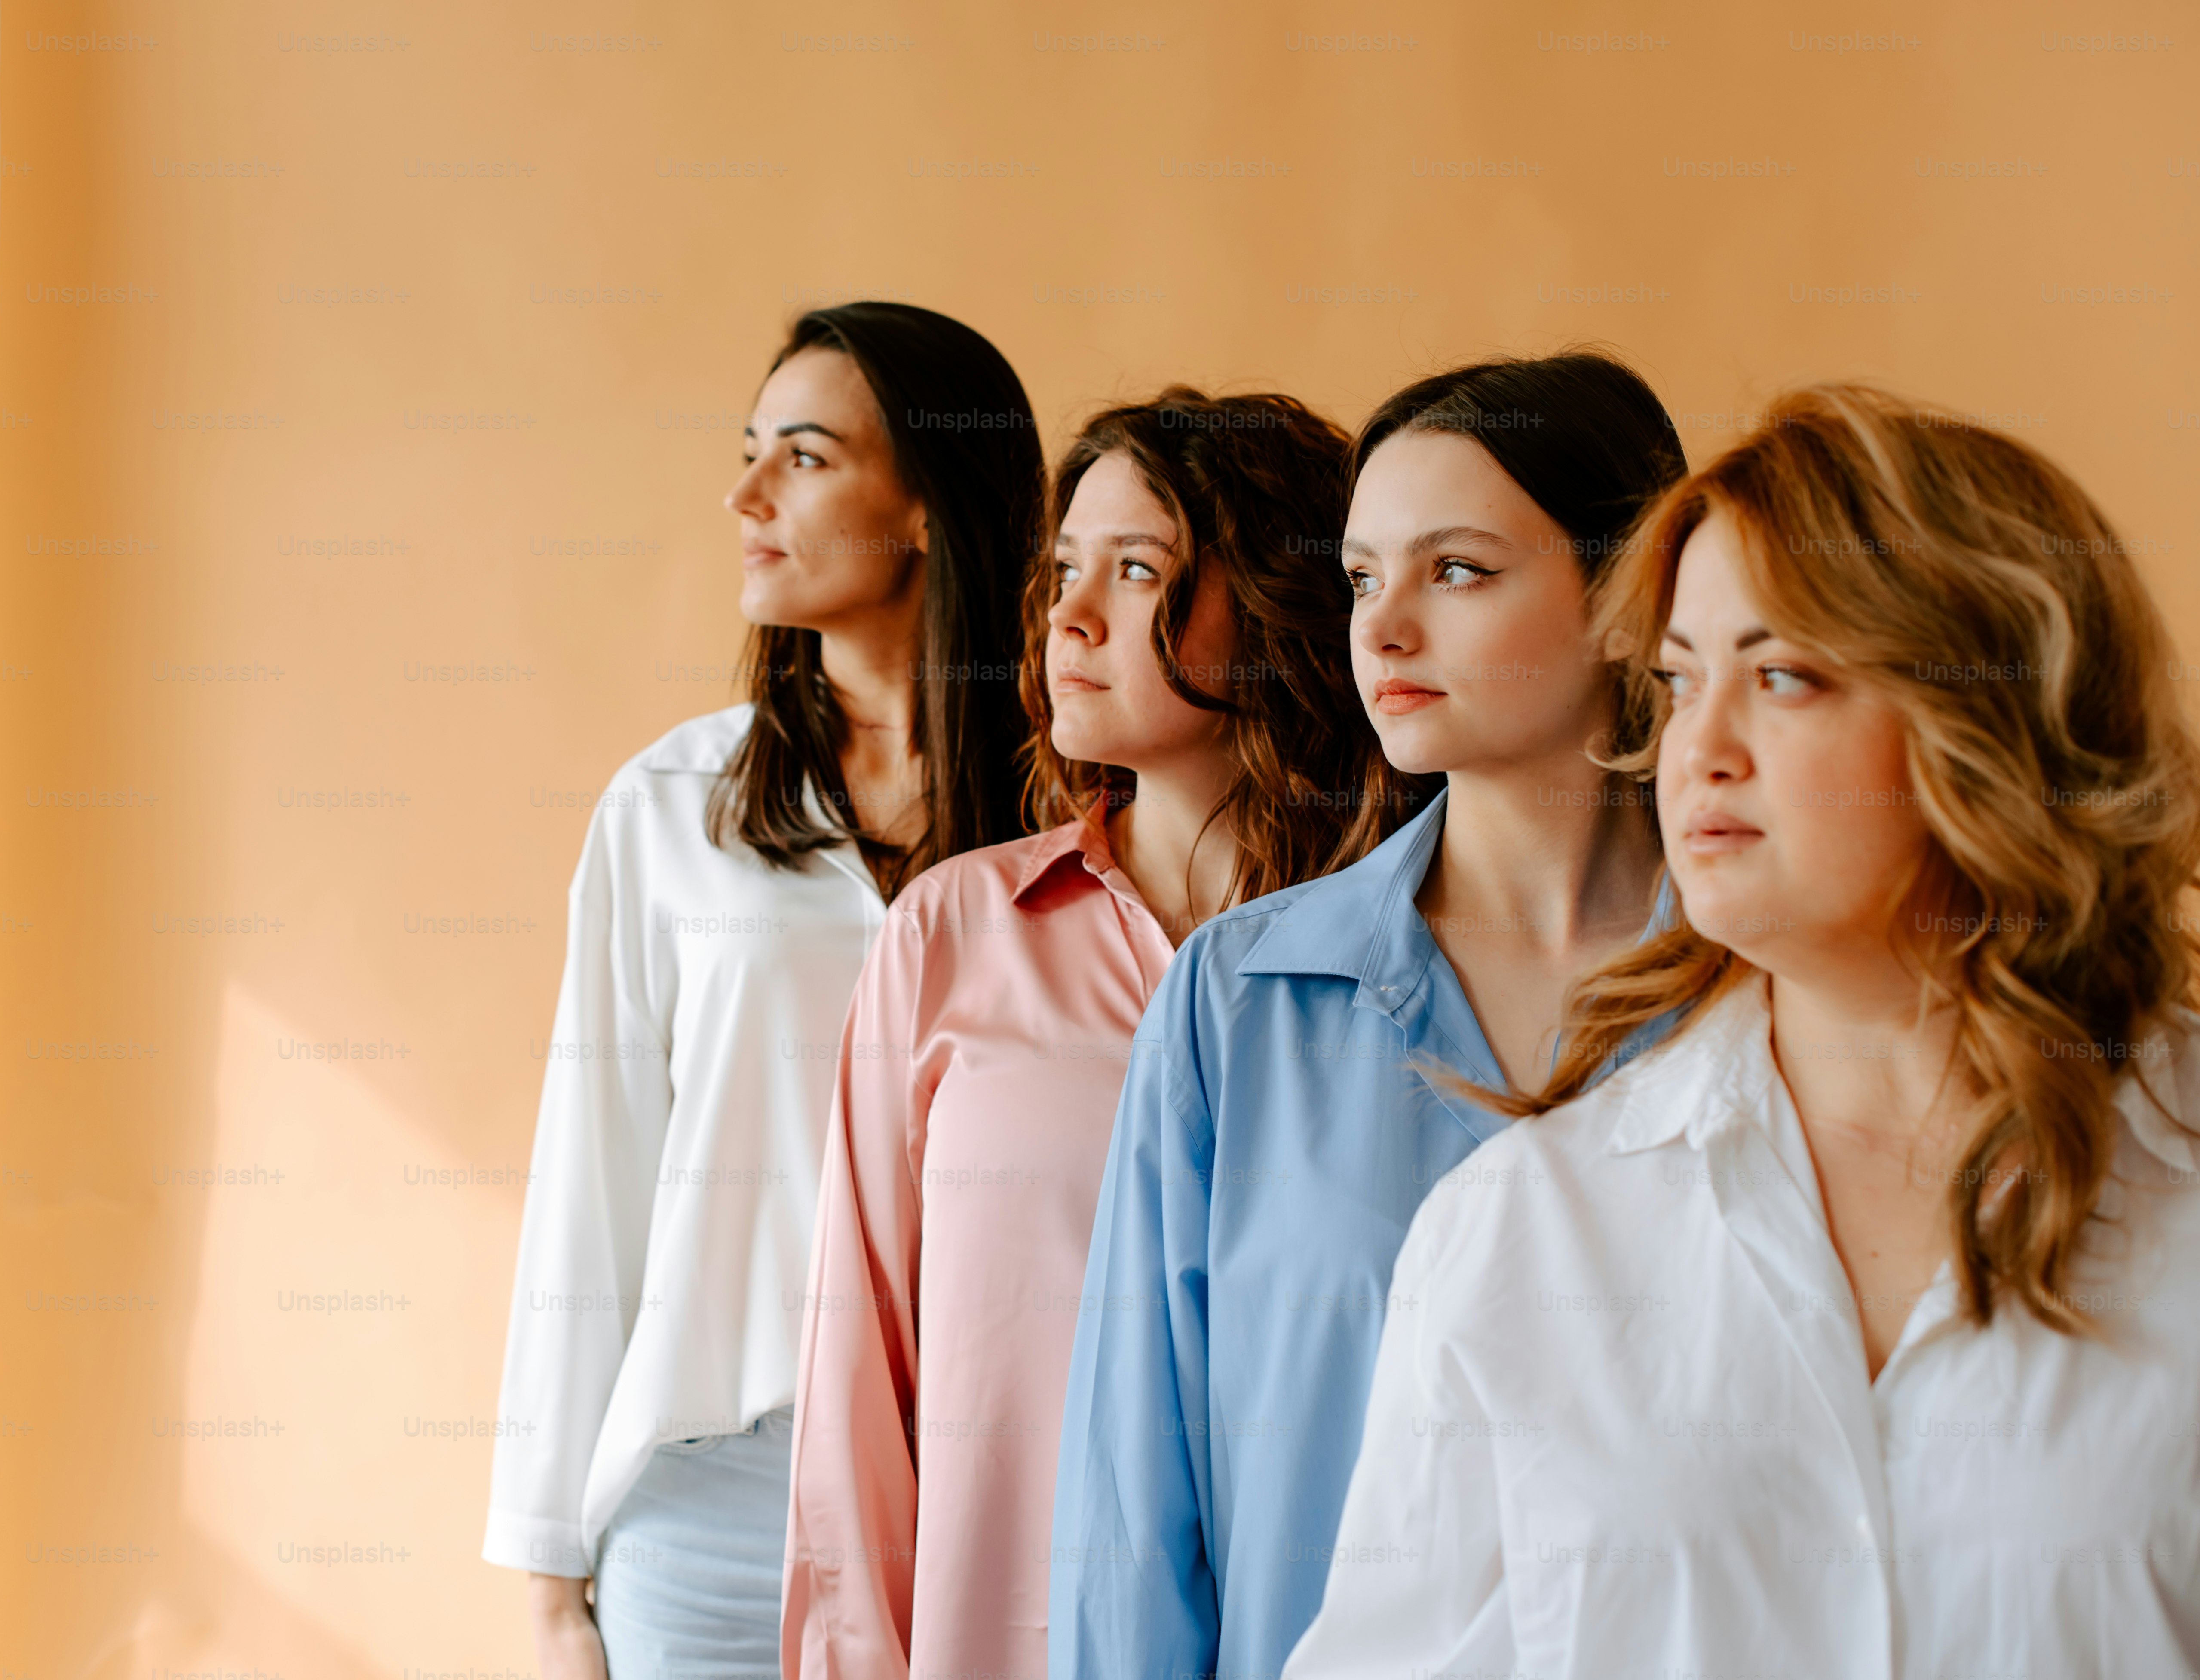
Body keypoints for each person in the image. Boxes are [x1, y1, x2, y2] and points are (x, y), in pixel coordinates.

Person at [1284, 385, 2200, 1679]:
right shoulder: (1525, 1224)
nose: (1699, 749)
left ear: (1998, 712)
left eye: (1783, 676)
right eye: (1678, 681)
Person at [1049, 353, 1689, 1680]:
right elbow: (1132, 1508)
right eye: (1360, 578)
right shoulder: (1238, 1003)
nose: (1384, 628)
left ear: (1631, 599)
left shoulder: (1763, 999)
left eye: (1455, 571)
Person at [782, 390, 1399, 1680]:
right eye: (1066, 569)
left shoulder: (1402, 964)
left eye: (1138, 571)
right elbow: (858, 1387)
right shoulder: (952, 934)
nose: (1071, 615)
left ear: (1281, 599)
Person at [483, 303, 1043, 1680]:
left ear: (926, 505)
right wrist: (554, 1584)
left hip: (1011, 1485)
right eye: (750, 454)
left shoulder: (1084, 807)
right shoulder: (675, 808)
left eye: (802, 456)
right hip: (715, 1502)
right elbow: (589, 1183)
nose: (745, 496)